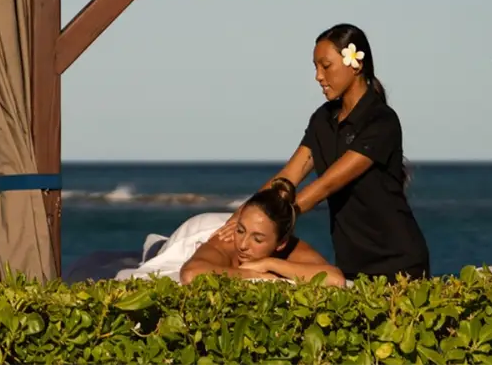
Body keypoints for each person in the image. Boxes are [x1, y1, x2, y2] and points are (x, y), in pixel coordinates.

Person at [231, 23, 430, 280]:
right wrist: (240, 218)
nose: (318, 76)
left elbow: (326, 185)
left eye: (325, 66)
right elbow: (288, 177)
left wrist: (273, 223)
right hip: (351, 262)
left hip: (399, 263)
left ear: (355, 64)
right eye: (315, 67)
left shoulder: (381, 121)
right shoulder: (323, 120)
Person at [170, 179, 346, 286]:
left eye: (257, 239)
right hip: (200, 228)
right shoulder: (227, 241)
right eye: (241, 231)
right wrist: (253, 274)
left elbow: (335, 279)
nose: (243, 245)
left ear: (281, 243)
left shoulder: (290, 248)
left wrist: (269, 264)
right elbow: (191, 274)